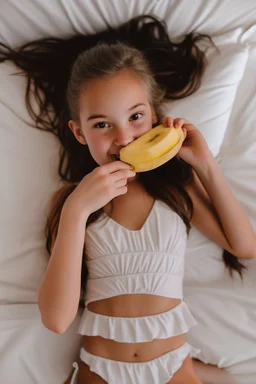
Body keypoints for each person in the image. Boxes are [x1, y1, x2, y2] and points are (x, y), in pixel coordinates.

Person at [1, 15, 254, 384]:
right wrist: (75, 211)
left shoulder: (175, 187)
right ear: (79, 132)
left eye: (135, 117)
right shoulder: (75, 202)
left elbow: (244, 246)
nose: (123, 138)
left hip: (173, 368)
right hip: (100, 371)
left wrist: (204, 164)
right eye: (102, 124)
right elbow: (56, 320)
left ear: (154, 116)